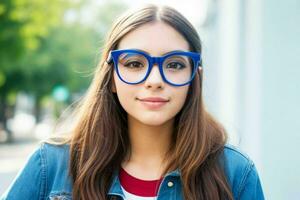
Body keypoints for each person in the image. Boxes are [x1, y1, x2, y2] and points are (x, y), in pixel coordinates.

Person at [1, 4, 265, 200]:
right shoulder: (51, 165)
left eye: (174, 64)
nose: (154, 79)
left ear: (194, 79)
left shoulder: (235, 174)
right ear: (112, 76)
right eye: (135, 63)